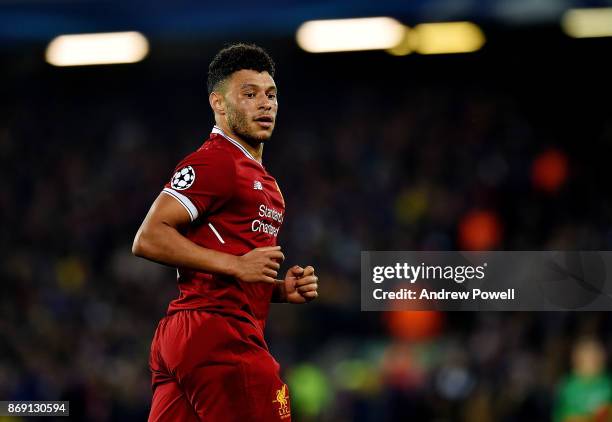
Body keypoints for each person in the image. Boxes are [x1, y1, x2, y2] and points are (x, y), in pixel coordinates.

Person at [132, 43, 319, 422]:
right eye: (248, 95)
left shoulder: (262, 180)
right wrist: (237, 266)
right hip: (219, 335)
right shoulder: (217, 161)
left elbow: (234, 263)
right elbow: (148, 237)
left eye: (270, 95)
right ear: (218, 103)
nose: (264, 104)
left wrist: (277, 290)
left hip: (189, 335)